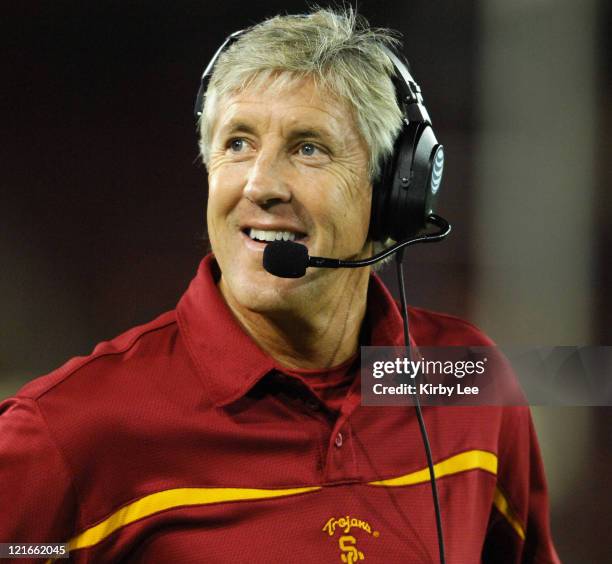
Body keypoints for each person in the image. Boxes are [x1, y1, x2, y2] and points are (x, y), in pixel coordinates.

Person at [0, 8, 559, 563]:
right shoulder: (70, 428)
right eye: (237, 143)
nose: (260, 184)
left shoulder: (468, 382)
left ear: (395, 192)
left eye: (308, 147)